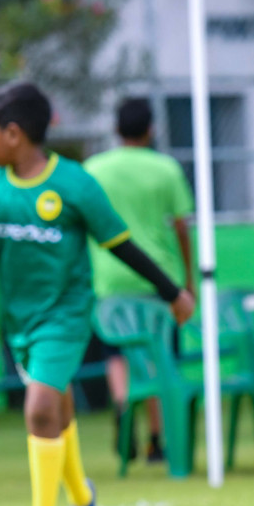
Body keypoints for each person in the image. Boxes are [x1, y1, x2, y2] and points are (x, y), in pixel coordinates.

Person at [0, 82, 194, 506]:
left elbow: (120, 244)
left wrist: (173, 293)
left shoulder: (75, 183)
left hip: (67, 316)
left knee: (38, 408)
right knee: (56, 410)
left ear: (13, 135)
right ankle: (81, 496)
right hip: (20, 321)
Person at [85, 97, 195, 462]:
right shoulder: (166, 169)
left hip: (110, 279)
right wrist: (187, 281)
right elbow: (181, 227)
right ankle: (157, 440)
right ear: (151, 129)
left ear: (116, 129)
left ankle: (122, 407)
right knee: (158, 357)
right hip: (159, 280)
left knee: (118, 352)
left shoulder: (94, 168)